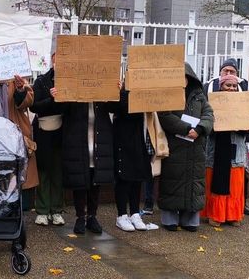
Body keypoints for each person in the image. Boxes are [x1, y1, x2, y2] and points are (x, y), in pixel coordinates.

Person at [158, 63, 214, 232]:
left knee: (194, 183)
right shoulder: (167, 95)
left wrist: (199, 129)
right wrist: (185, 129)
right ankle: (170, 219)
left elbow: (209, 114)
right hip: (175, 145)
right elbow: (164, 115)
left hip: (195, 147)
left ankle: (190, 220)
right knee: (172, 181)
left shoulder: (199, 95)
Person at [203, 57, 249, 216]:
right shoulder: (211, 99)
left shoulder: (244, 101)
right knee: (214, 180)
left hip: (236, 148)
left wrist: (248, 126)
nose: (231, 88)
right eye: (227, 85)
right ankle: (215, 214)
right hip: (216, 148)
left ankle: (233, 214)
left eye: (234, 85)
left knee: (235, 182)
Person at [61, 97, 115, 235]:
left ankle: (92, 216)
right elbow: (61, 110)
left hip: (98, 141)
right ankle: (80, 216)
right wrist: (58, 95)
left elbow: (116, 108)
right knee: (79, 180)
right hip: (78, 141)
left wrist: (116, 93)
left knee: (95, 179)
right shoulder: (75, 93)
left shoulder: (102, 94)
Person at [0, 75, 38, 209]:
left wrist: (20, 89)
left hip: (16, 133)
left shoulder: (17, 80)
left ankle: (18, 212)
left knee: (18, 172)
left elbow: (28, 102)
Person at [112, 87, 156, 232]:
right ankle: (122, 215)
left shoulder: (146, 91)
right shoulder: (121, 93)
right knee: (123, 178)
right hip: (124, 140)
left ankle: (135, 213)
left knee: (138, 177)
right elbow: (118, 108)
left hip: (141, 138)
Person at [31, 55, 65, 227]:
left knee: (58, 171)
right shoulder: (41, 81)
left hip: (62, 130)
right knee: (43, 169)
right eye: (57, 59)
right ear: (53, 61)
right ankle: (42, 210)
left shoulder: (69, 81)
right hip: (43, 131)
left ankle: (57, 210)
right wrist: (51, 98)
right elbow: (33, 106)